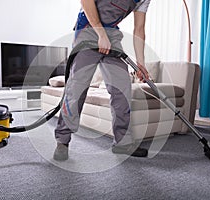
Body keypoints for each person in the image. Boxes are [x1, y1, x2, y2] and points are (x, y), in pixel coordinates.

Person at [54, 0, 151, 161]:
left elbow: (139, 29)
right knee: (76, 90)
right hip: (88, 29)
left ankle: (123, 143)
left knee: (122, 88)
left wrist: (140, 64)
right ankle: (62, 141)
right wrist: (100, 34)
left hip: (112, 35)